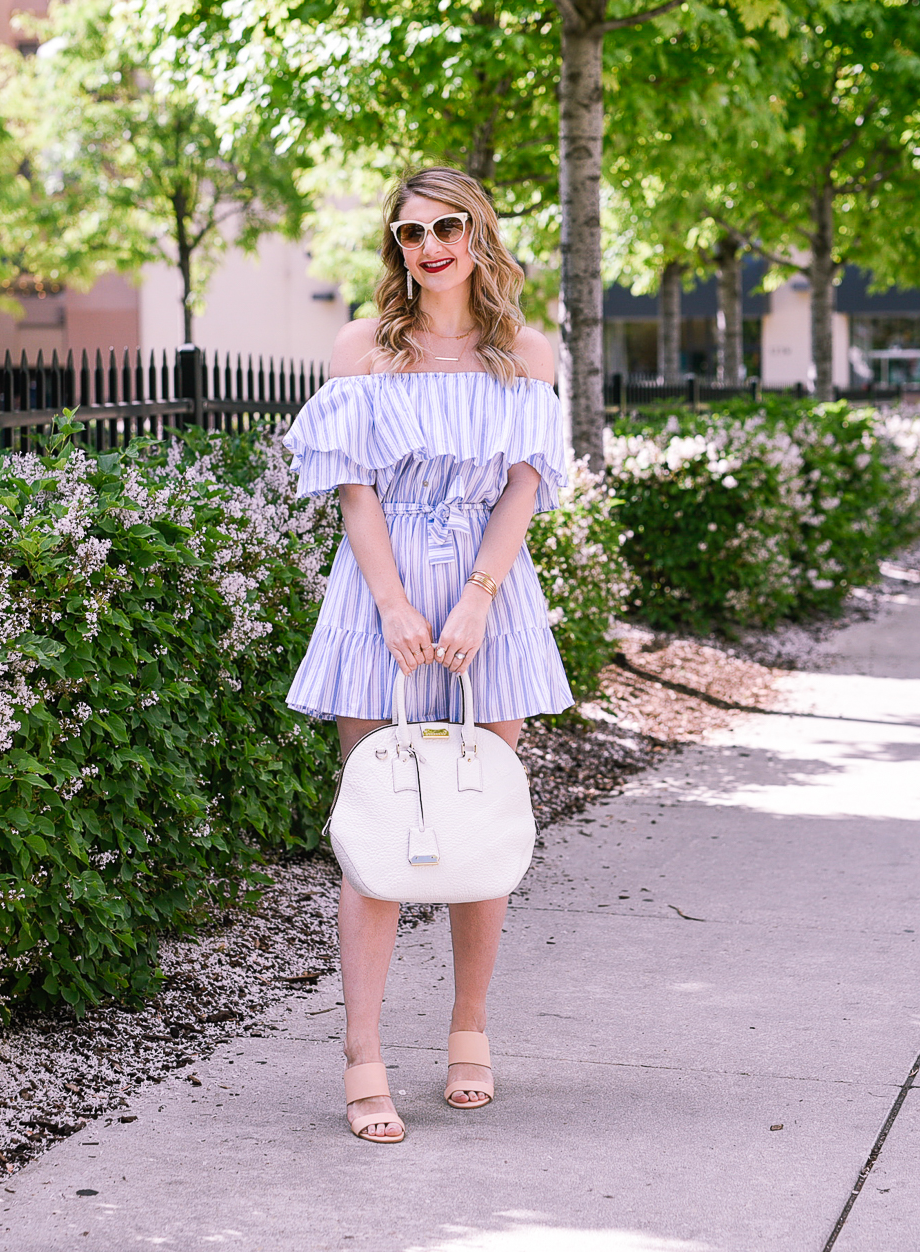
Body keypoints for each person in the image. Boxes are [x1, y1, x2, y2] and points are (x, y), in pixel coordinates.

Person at [283, 166, 573, 1143]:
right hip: (382, 592)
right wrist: (396, 602)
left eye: (448, 226)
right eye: (411, 233)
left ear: (480, 233)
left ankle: (469, 1028)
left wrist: (481, 598)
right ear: (395, 248)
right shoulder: (364, 347)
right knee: (375, 819)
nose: (430, 245)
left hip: (491, 595)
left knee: (480, 813)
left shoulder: (524, 351)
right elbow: (354, 487)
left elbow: (525, 486)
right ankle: (363, 1054)